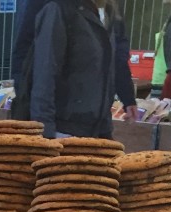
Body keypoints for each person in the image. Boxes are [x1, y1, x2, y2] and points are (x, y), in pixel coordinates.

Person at [29, 0, 137, 139]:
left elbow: (114, 63)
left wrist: (128, 98)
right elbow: (45, 75)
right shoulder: (59, 11)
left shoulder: (109, 14)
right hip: (65, 131)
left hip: (100, 130)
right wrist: (46, 133)